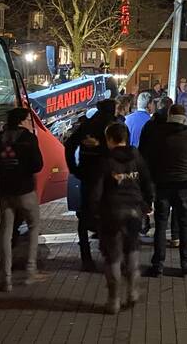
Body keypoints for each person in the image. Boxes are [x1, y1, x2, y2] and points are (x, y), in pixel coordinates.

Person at [92, 122, 152, 314]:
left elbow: (96, 189)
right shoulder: (136, 156)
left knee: (113, 256)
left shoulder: (105, 161)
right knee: (132, 248)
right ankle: (133, 291)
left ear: (109, 139)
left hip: (112, 212)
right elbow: (147, 181)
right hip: (134, 210)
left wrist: (95, 211)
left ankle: (114, 300)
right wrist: (147, 203)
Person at [139, 103, 187, 277]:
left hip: (162, 184)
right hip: (182, 184)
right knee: (184, 224)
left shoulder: (158, 133)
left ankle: (158, 265)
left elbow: (149, 158)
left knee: (160, 224)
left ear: (169, 115)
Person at [0, 107, 45, 291]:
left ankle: (6, 278)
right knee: (34, 227)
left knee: (6, 233)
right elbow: (37, 165)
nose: (30, 122)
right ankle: (30, 271)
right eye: (28, 119)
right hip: (25, 191)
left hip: (5, 191)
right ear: (22, 121)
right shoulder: (28, 139)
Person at [65, 98, 118, 270]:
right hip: (107, 176)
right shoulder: (112, 126)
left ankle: (86, 256)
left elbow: (69, 145)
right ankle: (108, 254)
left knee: (84, 214)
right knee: (108, 214)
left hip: (87, 174)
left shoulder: (87, 125)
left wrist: (74, 168)